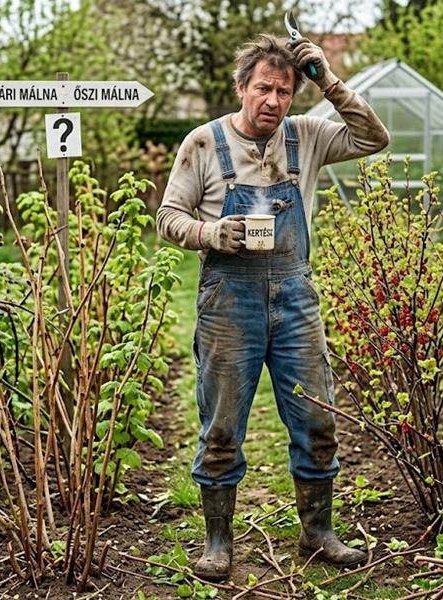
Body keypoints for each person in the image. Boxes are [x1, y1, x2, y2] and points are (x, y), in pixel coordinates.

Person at [156, 34, 390, 581]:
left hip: (294, 300)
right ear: (242, 88)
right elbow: (168, 217)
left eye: (284, 90)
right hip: (228, 303)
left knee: (316, 418)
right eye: (263, 88)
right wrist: (211, 231)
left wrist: (325, 78)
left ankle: (318, 533)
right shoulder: (203, 142)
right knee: (221, 426)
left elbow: (373, 138)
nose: (273, 100)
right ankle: (217, 540)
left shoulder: (305, 136)